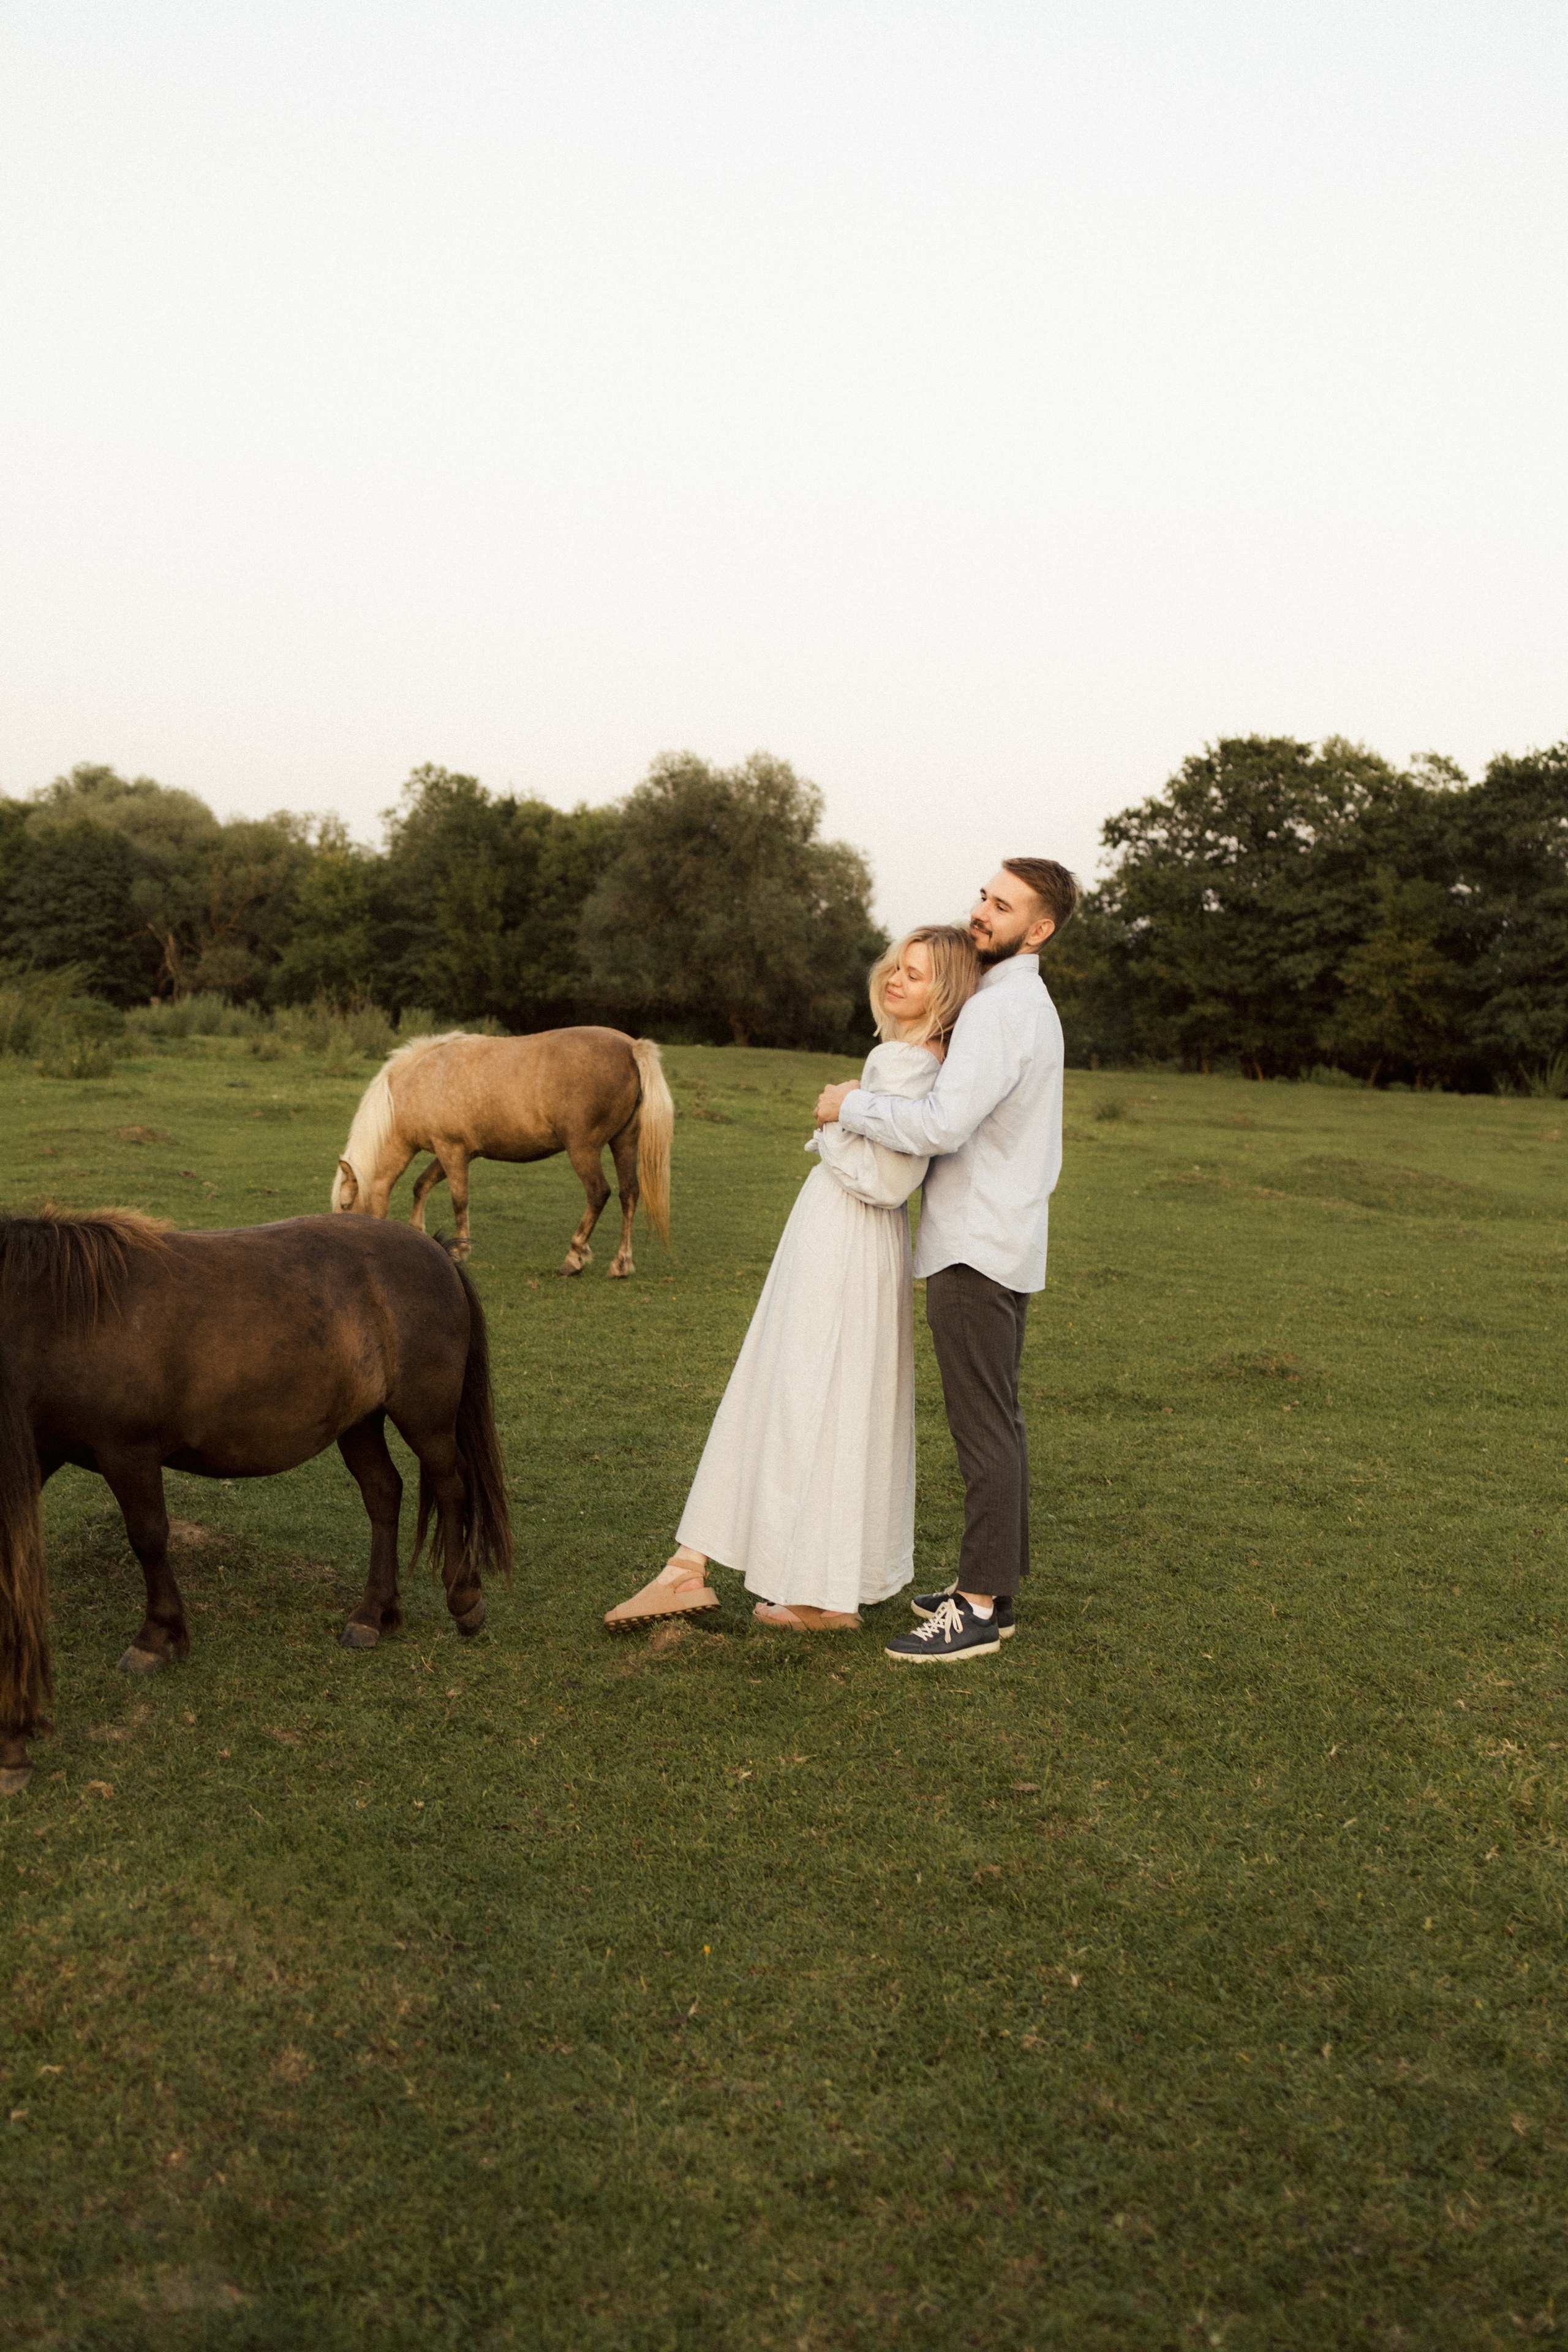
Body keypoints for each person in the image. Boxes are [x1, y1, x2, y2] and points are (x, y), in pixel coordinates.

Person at [604, 925, 981, 1632]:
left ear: (947, 994)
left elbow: (887, 1179)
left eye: (918, 974)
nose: (897, 979)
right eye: (896, 966)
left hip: (847, 1242)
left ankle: (716, 1573)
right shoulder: (901, 1057)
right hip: (841, 1239)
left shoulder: (909, 1064)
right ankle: (800, 1586)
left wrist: (836, 1116)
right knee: (814, 1390)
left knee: (801, 1388)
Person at [813, 858, 1079, 1665]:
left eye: (1002, 907)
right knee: (999, 1419)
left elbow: (939, 1125)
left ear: (1040, 930)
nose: (981, 913)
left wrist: (846, 1106)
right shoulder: (1015, 1002)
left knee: (983, 1429)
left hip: (975, 1247)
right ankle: (994, 1590)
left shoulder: (1002, 1011)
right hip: (1000, 1238)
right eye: (983, 897)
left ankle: (975, 1607)